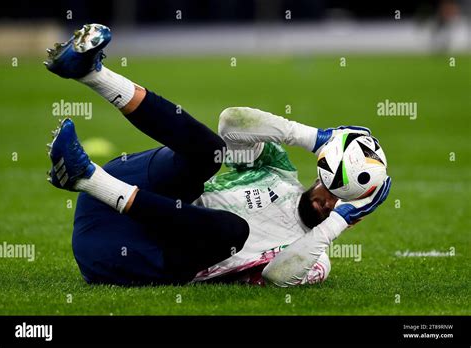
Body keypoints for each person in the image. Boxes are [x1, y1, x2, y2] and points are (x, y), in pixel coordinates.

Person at [45, 24, 391, 287]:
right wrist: (316, 138)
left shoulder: (315, 255)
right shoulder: (278, 172)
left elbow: (277, 276)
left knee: (232, 230)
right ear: (321, 174)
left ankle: (85, 177)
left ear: (355, 216)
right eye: (333, 189)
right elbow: (233, 122)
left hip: (119, 254)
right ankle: (91, 73)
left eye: (343, 203)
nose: (330, 203)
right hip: (114, 200)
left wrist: (338, 221)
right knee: (211, 153)